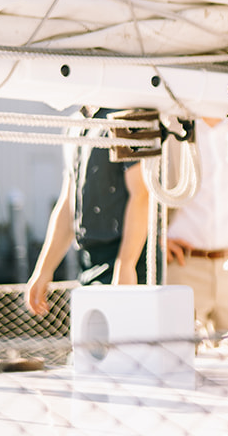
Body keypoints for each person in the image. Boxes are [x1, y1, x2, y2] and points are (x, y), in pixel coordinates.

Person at [26, 110, 151, 316]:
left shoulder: (123, 116)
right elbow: (68, 202)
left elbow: (141, 194)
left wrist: (126, 265)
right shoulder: (75, 123)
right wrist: (43, 270)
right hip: (88, 263)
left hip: (125, 262)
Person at [165, 117, 228, 336]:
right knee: (179, 357)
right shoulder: (172, 124)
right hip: (184, 266)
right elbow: (144, 188)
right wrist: (156, 237)